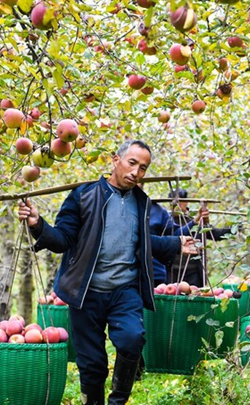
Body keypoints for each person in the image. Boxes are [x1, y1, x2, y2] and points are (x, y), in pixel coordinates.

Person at [17, 140, 198, 405]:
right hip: (86, 291)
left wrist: (176, 243)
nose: (136, 172)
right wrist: (37, 225)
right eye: (132, 163)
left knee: (132, 339)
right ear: (116, 160)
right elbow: (63, 238)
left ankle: (118, 401)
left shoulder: (142, 202)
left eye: (143, 168)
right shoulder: (84, 195)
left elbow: (141, 241)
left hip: (124, 291)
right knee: (92, 363)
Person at [165, 188, 231, 287]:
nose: (175, 205)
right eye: (173, 202)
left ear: (186, 202)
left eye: (179, 202)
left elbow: (215, 234)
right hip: (171, 271)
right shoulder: (166, 222)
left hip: (193, 272)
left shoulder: (196, 220)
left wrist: (232, 229)